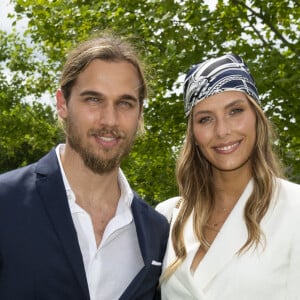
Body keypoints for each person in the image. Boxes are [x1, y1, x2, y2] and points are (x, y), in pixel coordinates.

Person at [0, 33, 169, 300]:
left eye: (124, 103)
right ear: (62, 104)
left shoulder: (156, 232)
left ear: (140, 114)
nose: (109, 119)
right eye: (93, 99)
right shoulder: (5, 201)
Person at [156, 53, 300, 299]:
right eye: (206, 119)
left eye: (235, 111)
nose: (222, 130)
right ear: (193, 133)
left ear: (256, 116)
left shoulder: (294, 207)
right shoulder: (168, 216)